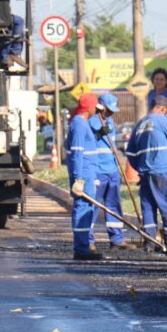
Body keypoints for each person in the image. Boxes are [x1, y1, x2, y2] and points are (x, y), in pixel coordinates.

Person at [126, 96, 167, 255]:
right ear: (162, 108)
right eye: (166, 112)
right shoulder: (160, 120)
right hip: (161, 171)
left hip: (145, 173)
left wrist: (140, 168)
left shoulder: (140, 124)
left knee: (148, 206)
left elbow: (131, 153)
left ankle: (150, 241)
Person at [89, 93, 133, 251]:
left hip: (112, 169)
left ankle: (117, 239)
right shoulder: (93, 120)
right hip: (98, 171)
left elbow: (110, 134)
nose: (111, 113)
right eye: (108, 110)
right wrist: (101, 129)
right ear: (101, 107)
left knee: (114, 205)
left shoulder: (111, 121)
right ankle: (88, 240)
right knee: (93, 206)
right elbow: (94, 135)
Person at [67, 93, 102, 261]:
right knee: (83, 209)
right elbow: (77, 154)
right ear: (89, 108)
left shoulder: (82, 123)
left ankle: (84, 246)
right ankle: (81, 249)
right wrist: (78, 179)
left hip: (87, 174)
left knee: (87, 210)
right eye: (95, 107)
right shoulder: (79, 124)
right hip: (84, 176)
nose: (96, 110)